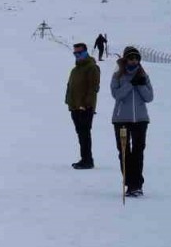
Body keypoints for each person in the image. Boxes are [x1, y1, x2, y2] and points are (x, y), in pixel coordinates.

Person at [110, 46, 153, 197]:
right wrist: (130, 84)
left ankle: (137, 184)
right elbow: (117, 95)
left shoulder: (143, 75)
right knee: (124, 151)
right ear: (125, 59)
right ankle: (129, 182)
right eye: (131, 58)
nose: (134, 61)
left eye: (136, 58)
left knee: (138, 151)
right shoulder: (118, 76)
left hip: (140, 120)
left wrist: (140, 84)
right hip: (121, 120)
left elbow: (149, 97)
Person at [66, 42, 101, 169]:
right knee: (80, 133)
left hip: (85, 107)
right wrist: (69, 102)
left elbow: (93, 88)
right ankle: (84, 158)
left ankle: (88, 160)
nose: (77, 55)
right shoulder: (75, 70)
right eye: (75, 53)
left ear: (86, 52)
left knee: (85, 133)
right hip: (75, 106)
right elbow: (70, 87)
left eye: (80, 52)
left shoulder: (92, 67)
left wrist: (86, 104)